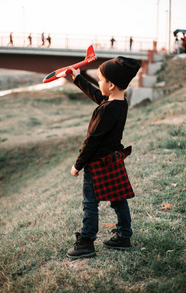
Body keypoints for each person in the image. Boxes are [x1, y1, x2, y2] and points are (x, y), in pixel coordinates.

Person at [67, 56, 141, 259]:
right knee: (119, 199)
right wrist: (77, 78)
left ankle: (86, 243)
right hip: (113, 161)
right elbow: (97, 94)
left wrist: (77, 165)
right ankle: (124, 236)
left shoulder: (106, 110)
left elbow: (91, 141)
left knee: (90, 202)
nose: (98, 83)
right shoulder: (119, 104)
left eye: (100, 79)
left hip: (97, 165)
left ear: (111, 83)